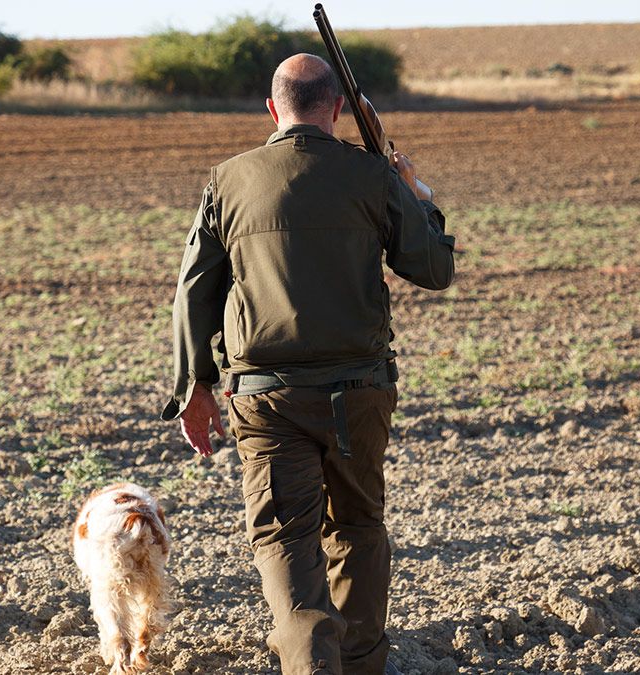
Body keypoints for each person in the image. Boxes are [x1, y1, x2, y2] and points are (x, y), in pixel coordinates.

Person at [161, 53, 455, 675]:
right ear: (338, 109)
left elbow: (194, 292)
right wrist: (416, 193)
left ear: (271, 108)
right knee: (358, 530)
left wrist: (196, 386)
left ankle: (313, 667)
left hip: (265, 398)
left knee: (285, 542)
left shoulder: (227, 181)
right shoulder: (372, 176)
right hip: (361, 393)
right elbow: (433, 269)